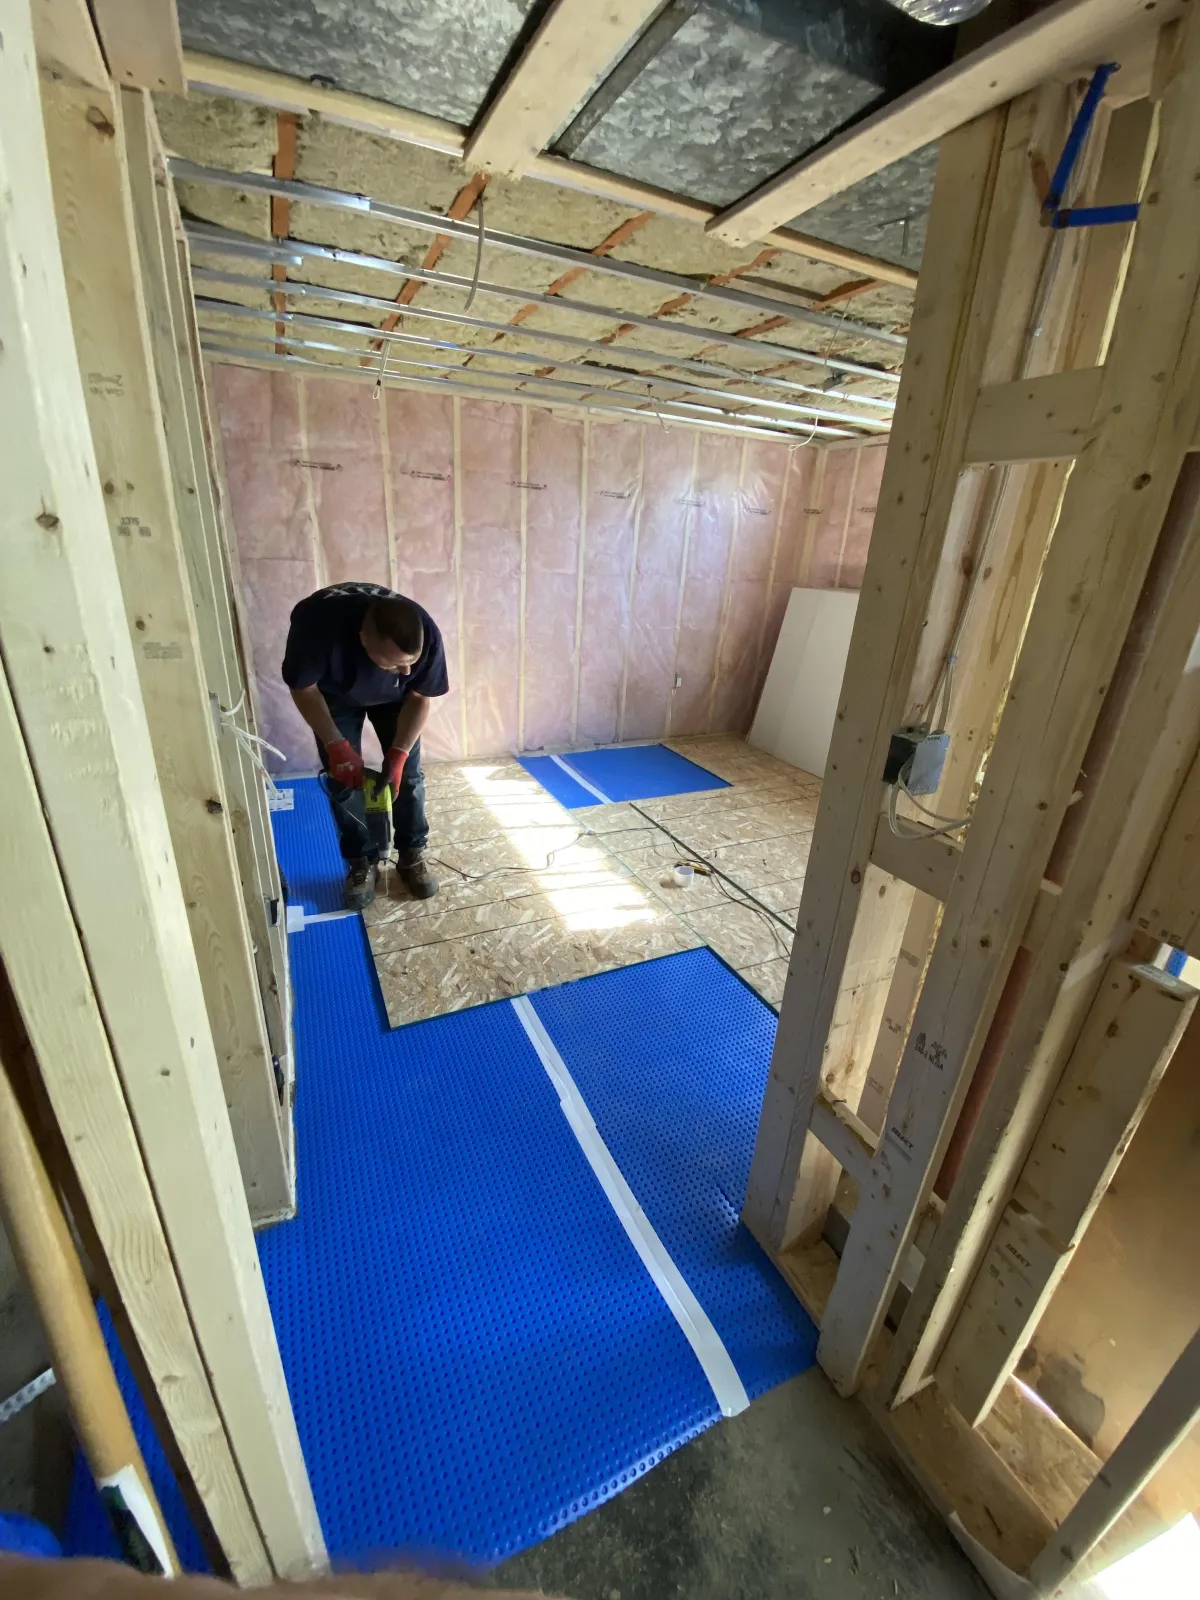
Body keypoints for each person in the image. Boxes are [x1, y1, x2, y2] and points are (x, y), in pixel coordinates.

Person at [282, 583, 448, 910]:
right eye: (395, 663)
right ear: (364, 639)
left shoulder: (425, 631)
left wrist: (399, 754)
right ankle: (361, 860)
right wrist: (336, 745)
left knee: (408, 776)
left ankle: (412, 853)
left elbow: (419, 696)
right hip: (334, 696)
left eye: (411, 662)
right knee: (343, 777)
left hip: (398, 699)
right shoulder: (316, 628)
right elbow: (304, 690)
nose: (407, 671)